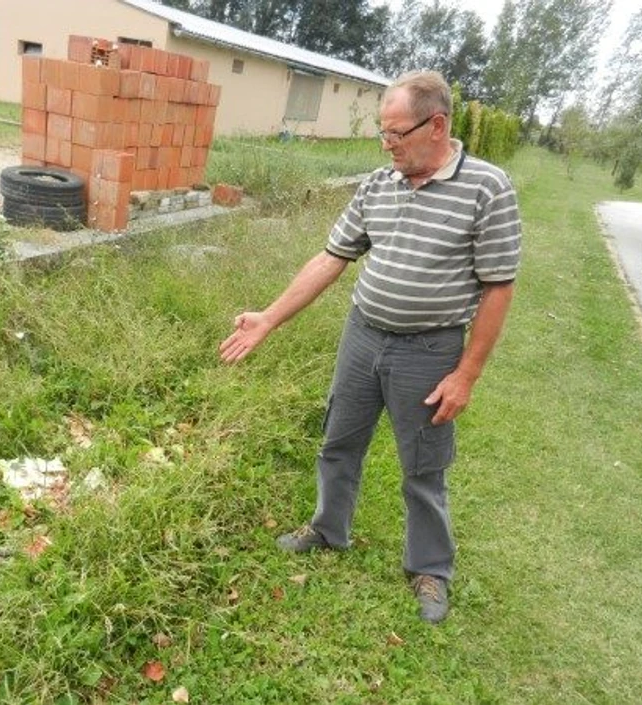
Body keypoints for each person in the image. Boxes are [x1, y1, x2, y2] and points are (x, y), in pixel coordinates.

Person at [218, 71, 521, 624]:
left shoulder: (488, 188)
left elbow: (499, 286)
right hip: (363, 335)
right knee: (339, 441)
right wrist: (269, 318)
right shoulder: (379, 184)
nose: (387, 145)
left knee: (423, 466)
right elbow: (331, 257)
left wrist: (467, 374)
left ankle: (431, 568)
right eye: (382, 134)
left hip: (430, 349)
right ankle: (329, 529)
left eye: (395, 134)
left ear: (437, 126)